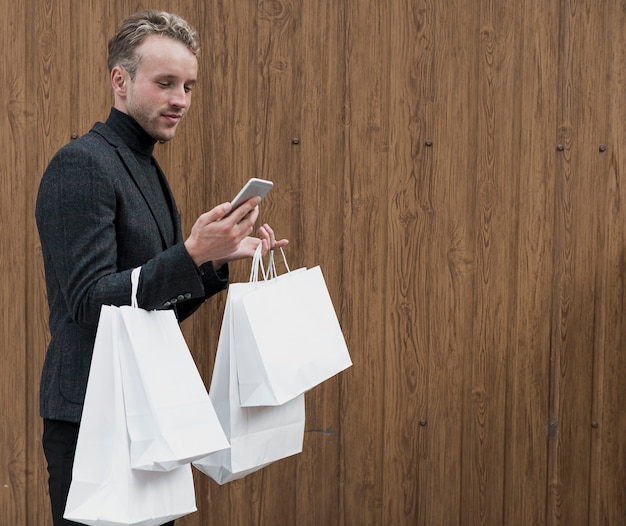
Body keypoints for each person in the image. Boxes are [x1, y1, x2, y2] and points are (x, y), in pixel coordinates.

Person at [35, 10, 287, 525]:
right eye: (166, 83)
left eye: (189, 86)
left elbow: (153, 310)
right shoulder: (81, 164)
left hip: (144, 414)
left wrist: (211, 262)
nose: (181, 100)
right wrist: (190, 254)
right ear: (120, 81)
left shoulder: (144, 166)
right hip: (92, 419)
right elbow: (90, 304)